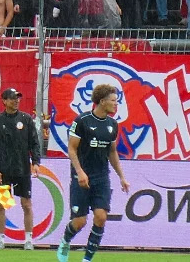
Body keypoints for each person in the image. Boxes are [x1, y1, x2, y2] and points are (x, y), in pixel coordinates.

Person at [57, 84, 131, 262]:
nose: (116, 104)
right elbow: (72, 149)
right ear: (102, 101)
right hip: (81, 177)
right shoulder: (82, 121)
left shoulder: (112, 124)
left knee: (101, 217)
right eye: (113, 101)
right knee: (80, 221)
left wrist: (122, 176)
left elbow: (112, 152)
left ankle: (87, 259)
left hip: (101, 177)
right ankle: (66, 241)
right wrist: (80, 172)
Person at [0, 88, 40, 250]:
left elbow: (34, 143)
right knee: (2, 205)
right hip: (3, 170)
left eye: (17, 98)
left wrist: (36, 162)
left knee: (26, 204)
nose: (16, 101)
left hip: (22, 169)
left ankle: (29, 240)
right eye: (12, 98)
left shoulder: (26, 119)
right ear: (4, 101)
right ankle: (0, 239)